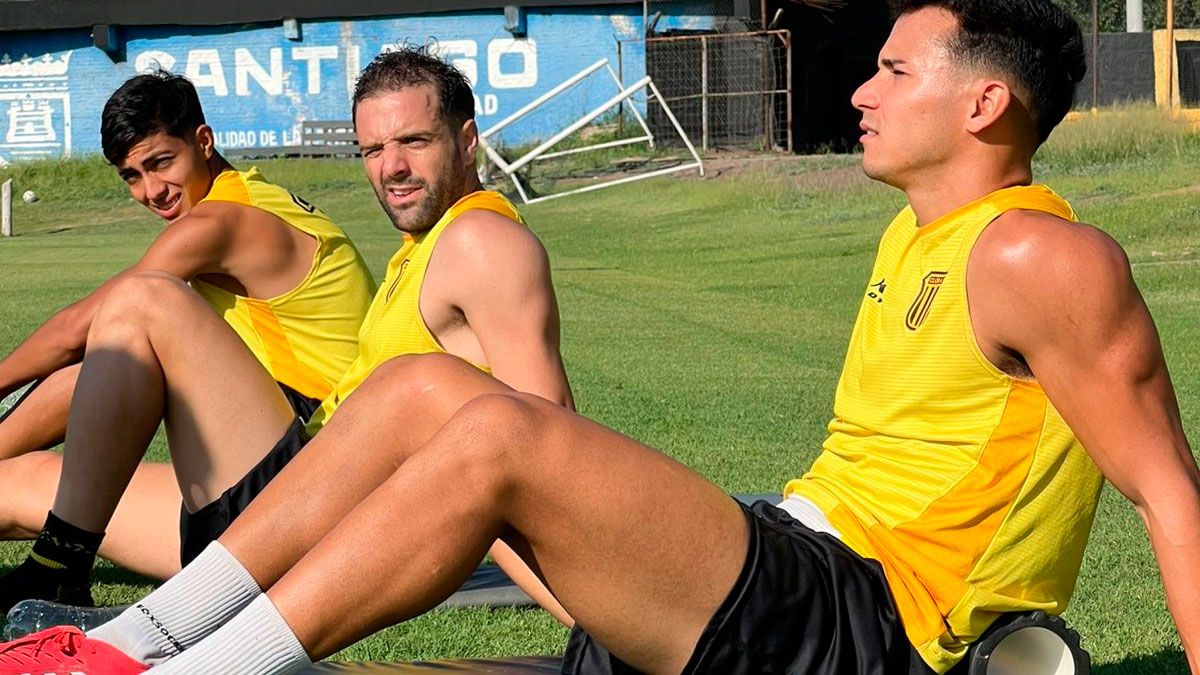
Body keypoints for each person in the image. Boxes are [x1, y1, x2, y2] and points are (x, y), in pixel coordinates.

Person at [7, 1, 1200, 674]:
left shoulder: (1044, 256)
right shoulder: (921, 235)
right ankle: (141, 637)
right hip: (791, 561)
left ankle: (172, 670)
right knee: (420, 389)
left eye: (892, 70)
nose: (861, 91)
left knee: (496, 435)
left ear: (984, 102)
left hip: (875, 623)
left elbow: (1169, 496)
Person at [0, 70, 377, 602]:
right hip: (267, 489)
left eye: (160, 163)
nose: (150, 191)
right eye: (131, 176)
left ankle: (60, 569)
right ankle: (62, 557)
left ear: (203, 141)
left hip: (322, 494)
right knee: (18, 485)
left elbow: (75, 330)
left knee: (138, 304)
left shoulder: (224, 221)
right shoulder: (246, 198)